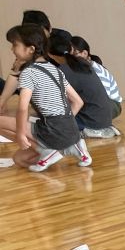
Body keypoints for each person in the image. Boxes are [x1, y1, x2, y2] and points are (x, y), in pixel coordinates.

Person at [0, 25, 92, 171]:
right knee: (19, 159)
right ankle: (64, 149)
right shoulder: (54, 69)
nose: (12, 49)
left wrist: (20, 134)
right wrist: (64, 124)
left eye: (14, 45)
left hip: (52, 130)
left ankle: (48, 151)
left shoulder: (29, 73)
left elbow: (22, 108)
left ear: (30, 49)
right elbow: (78, 102)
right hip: (71, 130)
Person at [46, 31, 118, 138]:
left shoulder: (63, 71)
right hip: (105, 118)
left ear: (50, 54)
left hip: (92, 120)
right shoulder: (82, 63)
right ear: (71, 49)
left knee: (49, 121)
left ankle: (90, 130)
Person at [70, 36, 122, 120]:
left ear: (85, 53)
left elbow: (103, 97)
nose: (71, 58)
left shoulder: (96, 69)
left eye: (74, 54)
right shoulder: (80, 69)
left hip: (112, 104)